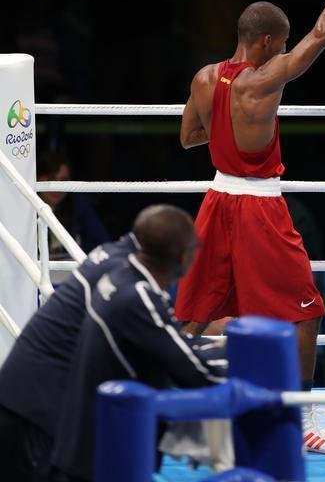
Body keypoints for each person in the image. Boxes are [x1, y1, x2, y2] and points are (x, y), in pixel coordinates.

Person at [174, 0, 325, 454]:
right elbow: (324, 33)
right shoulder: (262, 83)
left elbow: (189, 137)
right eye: (280, 45)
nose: (284, 52)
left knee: (194, 314)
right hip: (258, 207)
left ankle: (158, 409)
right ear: (263, 42)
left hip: (216, 201)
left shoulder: (203, 78)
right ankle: (302, 421)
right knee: (306, 311)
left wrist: (227, 135)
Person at [0, 205, 225, 482]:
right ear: (180, 254)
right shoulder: (129, 284)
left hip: (31, 398)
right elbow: (182, 362)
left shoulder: (115, 258)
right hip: (38, 409)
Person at [37, 149, 110, 256]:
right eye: (51, 180)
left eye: (63, 181)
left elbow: (102, 242)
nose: (58, 187)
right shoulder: (24, 205)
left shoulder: (79, 204)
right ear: (37, 178)